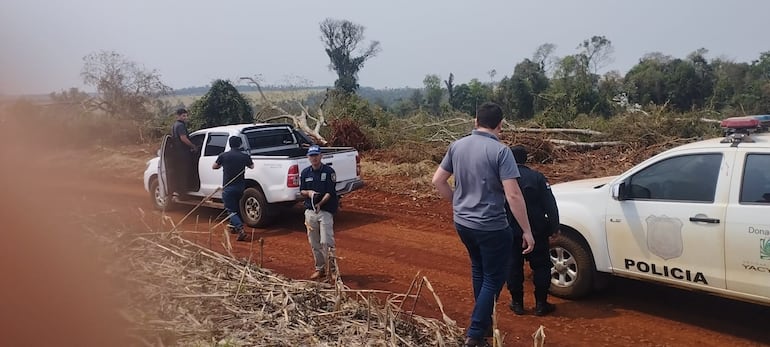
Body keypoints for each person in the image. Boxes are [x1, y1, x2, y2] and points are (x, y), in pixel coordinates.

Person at [432, 102, 535, 347]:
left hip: (464, 224)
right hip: (491, 226)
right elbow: (513, 195)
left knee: (479, 270)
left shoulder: (457, 146)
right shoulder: (501, 151)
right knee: (494, 277)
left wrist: (458, 203)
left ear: (475, 121)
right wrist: (527, 230)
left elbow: (438, 181)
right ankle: (476, 333)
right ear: (500, 125)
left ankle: (484, 322)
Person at [505, 145, 560, 316]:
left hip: (511, 231)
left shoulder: (503, 179)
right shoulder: (537, 177)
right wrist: (554, 227)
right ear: (526, 159)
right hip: (537, 231)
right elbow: (550, 204)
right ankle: (541, 304)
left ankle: (517, 303)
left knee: (513, 267)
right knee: (542, 266)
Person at [299, 144, 339, 280]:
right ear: (308, 157)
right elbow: (302, 191)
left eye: (316, 155)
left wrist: (320, 204)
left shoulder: (329, 172)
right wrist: (309, 193)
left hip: (325, 210)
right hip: (310, 212)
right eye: (311, 156)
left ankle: (333, 270)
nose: (314, 158)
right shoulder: (305, 173)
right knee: (314, 242)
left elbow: (330, 192)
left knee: (326, 241)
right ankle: (320, 269)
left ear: (321, 156)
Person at [212, 136, 254, 242]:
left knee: (231, 210)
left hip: (228, 187)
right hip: (240, 187)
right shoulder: (244, 156)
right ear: (240, 144)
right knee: (236, 208)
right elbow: (252, 166)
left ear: (229, 144)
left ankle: (240, 229)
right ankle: (233, 227)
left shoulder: (223, 156)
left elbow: (214, 166)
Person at [168, 108, 197, 197]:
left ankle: (180, 192)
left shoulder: (174, 125)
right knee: (183, 173)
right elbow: (183, 138)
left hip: (177, 154)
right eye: (183, 116)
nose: (185, 117)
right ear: (178, 116)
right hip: (183, 153)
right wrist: (193, 146)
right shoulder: (180, 126)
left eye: (186, 115)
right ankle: (183, 194)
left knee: (180, 173)